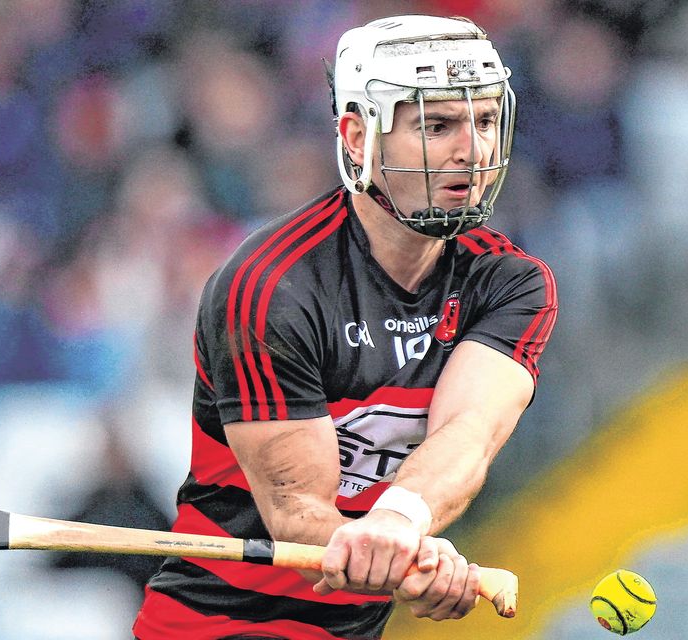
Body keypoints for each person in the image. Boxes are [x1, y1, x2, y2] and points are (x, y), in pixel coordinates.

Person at [133, 14, 558, 640]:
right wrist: (410, 559)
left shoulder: (511, 283)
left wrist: (403, 524)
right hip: (215, 627)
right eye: (436, 125)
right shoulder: (270, 288)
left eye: (486, 120)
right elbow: (299, 515)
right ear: (358, 138)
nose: (473, 150)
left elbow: (468, 433)